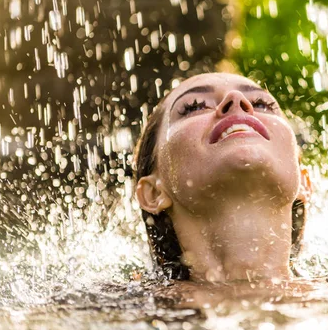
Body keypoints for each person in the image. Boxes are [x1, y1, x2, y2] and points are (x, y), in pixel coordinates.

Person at [133, 72, 312, 283]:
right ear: (152, 193)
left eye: (261, 103)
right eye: (195, 106)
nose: (236, 100)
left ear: (305, 182)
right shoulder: (119, 310)